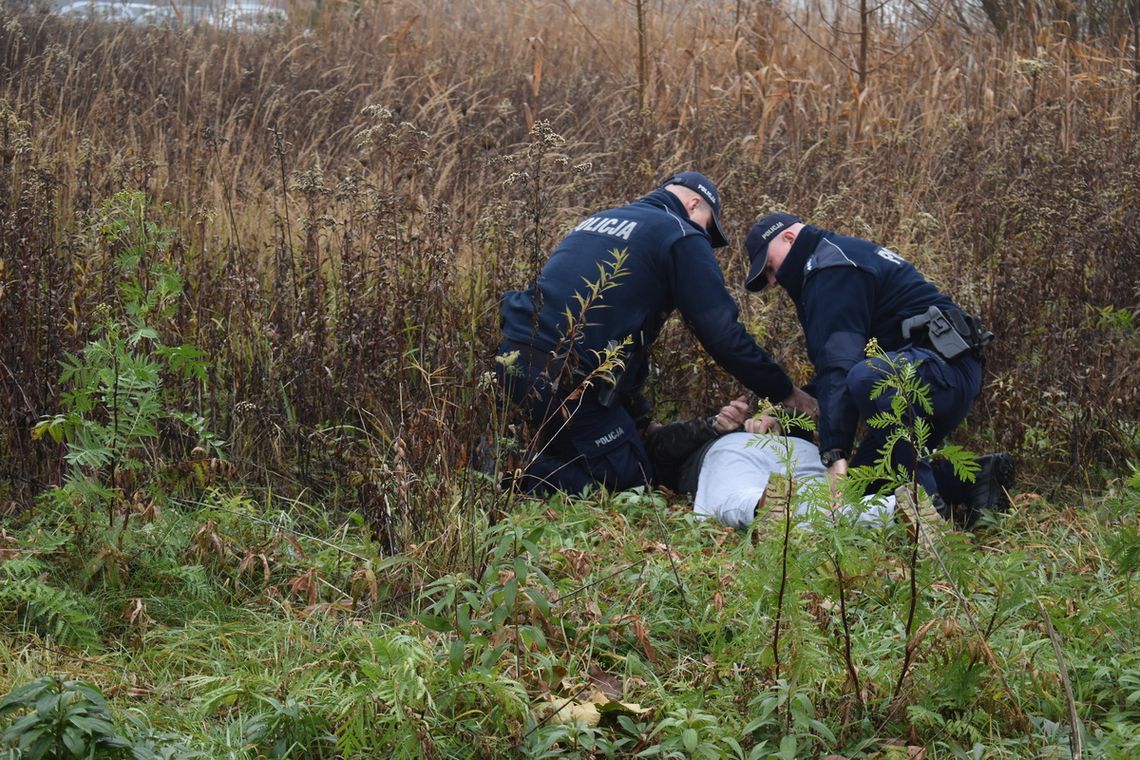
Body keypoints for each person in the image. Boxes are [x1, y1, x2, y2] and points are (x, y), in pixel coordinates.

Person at [495, 173, 817, 496]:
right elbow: (722, 334)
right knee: (629, 486)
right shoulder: (681, 233)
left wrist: (637, 412)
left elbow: (606, 320)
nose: (704, 237)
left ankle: (526, 462)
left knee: (613, 444)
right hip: (566, 379)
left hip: (514, 359)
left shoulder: (600, 220)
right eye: (707, 226)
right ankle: (512, 472)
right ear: (693, 205)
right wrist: (785, 391)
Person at [740, 212, 1014, 528]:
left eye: (771, 268)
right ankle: (976, 479)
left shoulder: (829, 267)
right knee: (865, 486)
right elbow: (838, 373)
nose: (773, 281)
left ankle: (928, 511)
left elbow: (842, 370)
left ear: (789, 238)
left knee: (868, 378)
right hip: (930, 376)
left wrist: (834, 455)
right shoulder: (836, 257)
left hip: (939, 372)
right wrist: (783, 414)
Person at [644, 399, 896, 530]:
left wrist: (770, 420)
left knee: (736, 499)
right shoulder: (654, 444)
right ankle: (896, 509)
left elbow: (666, 442)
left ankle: (763, 511)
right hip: (799, 452)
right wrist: (775, 420)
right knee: (833, 504)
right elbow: (810, 413)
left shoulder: (652, 443)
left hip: (734, 454)